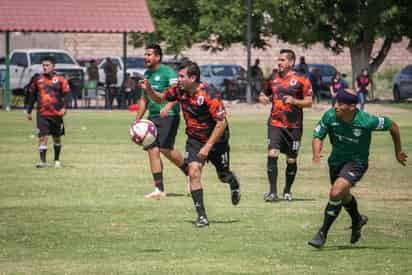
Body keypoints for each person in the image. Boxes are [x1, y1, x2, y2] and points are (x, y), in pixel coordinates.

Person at [140, 61, 241, 227]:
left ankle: (233, 182)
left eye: (181, 76)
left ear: (193, 78)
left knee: (223, 176)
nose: (178, 79)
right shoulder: (179, 90)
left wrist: (208, 147)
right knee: (193, 172)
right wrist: (149, 89)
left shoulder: (209, 93)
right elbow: (160, 99)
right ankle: (202, 216)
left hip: (217, 140)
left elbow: (221, 123)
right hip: (194, 139)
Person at [308, 89, 408, 248]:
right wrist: (316, 153)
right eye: (336, 102)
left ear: (352, 107)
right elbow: (318, 135)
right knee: (343, 194)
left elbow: (392, 126)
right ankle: (357, 219)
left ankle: (322, 233)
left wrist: (398, 152)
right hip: (336, 162)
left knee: (336, 192)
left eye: (340, 104)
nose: (336, 106)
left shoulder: (366, 120)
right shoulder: (330, 116)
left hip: (357, 162)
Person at [136, 44, 189, 199]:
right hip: (152, 117)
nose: (146, 57)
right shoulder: (146, 74)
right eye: (145, 54)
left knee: (165, 148)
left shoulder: (168, 72)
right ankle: (159, 189)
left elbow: (177, 93)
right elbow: (143, 99)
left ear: (158, 57)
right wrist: (137, 120)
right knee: (152, 150)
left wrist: (168, 106)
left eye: (149, 55)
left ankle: (188, 171)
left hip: (169, 115)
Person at [259, 49, 312, 202]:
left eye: (282, 60)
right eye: (279, 60)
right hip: (275, 123)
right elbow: (264, 93)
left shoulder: (302, 80)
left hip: (294, 126)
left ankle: (287, 191)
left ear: (291, 62)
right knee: (272, 153)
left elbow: (309, 102)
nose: (279, 62)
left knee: (291, 160)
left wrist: (295, 101)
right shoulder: (273, 78)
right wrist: (262, 97)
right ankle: (273, 192)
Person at [26, 56, 70, 168]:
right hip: (42, 113)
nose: (45, 67)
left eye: (47, 65)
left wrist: (64, 108)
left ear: (53, 66)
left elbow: (67, 95)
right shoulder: (37, 79)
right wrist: (29, 110)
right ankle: (43, 161)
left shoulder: (60, 79)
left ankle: (56, 160)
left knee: (56, 137)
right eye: (43, 65)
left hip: (56, 114)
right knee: (42, 137)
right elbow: (32, 95)